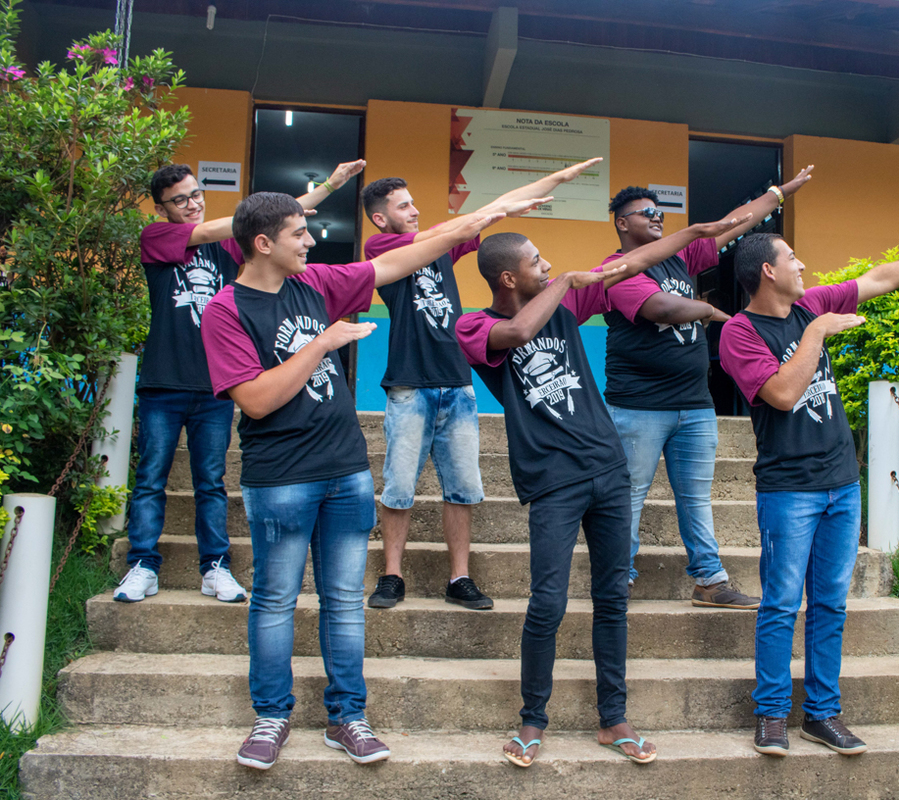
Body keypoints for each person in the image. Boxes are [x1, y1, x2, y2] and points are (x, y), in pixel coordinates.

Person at [200, 190, 502, 770]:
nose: (310, 242)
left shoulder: (314, 284)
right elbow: (257, 401)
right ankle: (270, 719)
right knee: (274, 601)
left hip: (345, 471)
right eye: (298, 234)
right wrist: (322, 343)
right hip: (281, 478)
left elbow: (394, 263)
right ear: (263, 243)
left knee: (342, 601)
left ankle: (348, 718)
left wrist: (477, 221)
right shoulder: (225, 311)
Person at [456, 212, 747, 768]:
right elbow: (516, 334)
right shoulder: (474, 327)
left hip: (608, 469)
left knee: (613, 601)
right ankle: (531, 720)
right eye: (536, 261)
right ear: (508, 279)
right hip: (553, 481)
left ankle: (613, 719)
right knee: (548, 602)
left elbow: (632, 263)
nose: (548, 265)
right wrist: (565, 281)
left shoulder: (567, 303)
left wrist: (696, 234)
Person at [718, 223, 899, 757]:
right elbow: (781, 394)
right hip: (789, 489)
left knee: (830, 605)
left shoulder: (810, 303)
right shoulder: (740, 334)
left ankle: (822, 714)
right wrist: (815, 333)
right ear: (768, 271)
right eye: (791, 257)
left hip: (841, 483)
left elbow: (880, 278)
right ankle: (770, 714)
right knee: (779, 604)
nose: (802, 265)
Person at [114, 159, 364, 603]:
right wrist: (314, 192)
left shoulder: (234, 248)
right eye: (179, 200)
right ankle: (142, 564)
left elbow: (271, 223)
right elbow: (240, 225)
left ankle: (215, 567)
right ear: (161, 209)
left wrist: (329, 186)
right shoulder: (158, 239)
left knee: (210, 479)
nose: (192, 204)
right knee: (151, 476)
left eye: (196, 194)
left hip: (216, 385)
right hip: (164, 382)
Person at [359, 157, 602, 611]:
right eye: (404, 205)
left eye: (414, 203)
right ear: (381, 218)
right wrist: (475, 218)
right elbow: (457, 226)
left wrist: (556, 179)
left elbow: (488, 213)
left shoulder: (442, 248)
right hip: (409, 386)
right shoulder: (381, 251)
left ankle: (460, 578)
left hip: (458, 385)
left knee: (464, 488)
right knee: (398, 487)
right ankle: (392, 576)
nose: (414, 210)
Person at [601, 168, 812, 609]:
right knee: (629, 498)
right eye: (646, 213)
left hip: (695, 405)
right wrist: (710, 310)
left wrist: (776, 193)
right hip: (638, 405)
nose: (657, 218)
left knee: (696, 497)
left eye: (660, 212)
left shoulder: (680, 258)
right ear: (622, 223)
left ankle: (710, 581)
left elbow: (734, 223)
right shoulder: (614, 269)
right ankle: (616, 579)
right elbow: (663, 307)